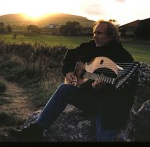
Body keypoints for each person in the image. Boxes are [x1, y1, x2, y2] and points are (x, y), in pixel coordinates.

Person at [10, 20, 138, 142]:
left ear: (110, 36)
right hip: (90, 98)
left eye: (99, 33)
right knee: (64, 89)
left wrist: (102, 88)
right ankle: (36, 130)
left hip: (110, 105)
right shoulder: (92, 46)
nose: (95, 36)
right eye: (94, 33)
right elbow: (71, 54)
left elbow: (127, 90)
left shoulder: (124, 57)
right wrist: (68, 71)